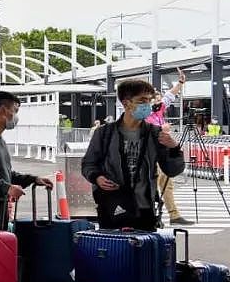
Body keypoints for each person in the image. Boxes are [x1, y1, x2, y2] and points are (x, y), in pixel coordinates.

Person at [82, 79, 186, 231]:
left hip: (144, 207)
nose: (148, 105)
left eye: (149, 100)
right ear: (126, 103)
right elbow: (88, 164)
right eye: (142, 100)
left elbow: (172, 170)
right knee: (113, 249)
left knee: (143, 251)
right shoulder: (104, 133)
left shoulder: (155, 133)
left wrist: (175, 149)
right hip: (112, 205)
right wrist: (96, 177)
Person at [0, 92, 53, 231]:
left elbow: (4, 173)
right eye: (15, 111)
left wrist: (33, 179)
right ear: (3, 110)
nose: (16, 117)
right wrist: (7, 188)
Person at [145, 68, 192, 226]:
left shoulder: (159, 111)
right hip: (147, 155)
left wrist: (180, 82)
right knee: (150, 184)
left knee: (167, 183)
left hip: (161, 153)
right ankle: (151, 216)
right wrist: (161, 129)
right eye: (155, 100)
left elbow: (170, 94)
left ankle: (174, 215)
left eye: (159, 99)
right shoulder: (143, 115)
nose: (159, 102)